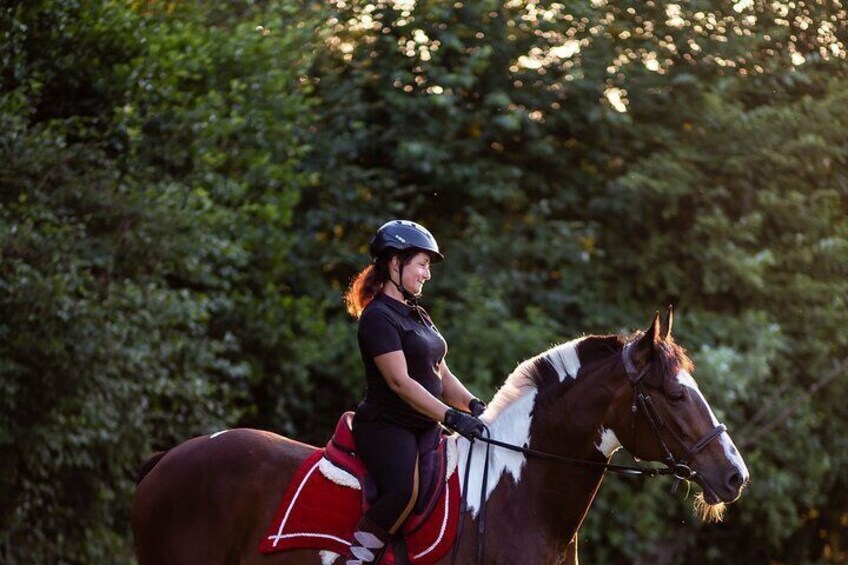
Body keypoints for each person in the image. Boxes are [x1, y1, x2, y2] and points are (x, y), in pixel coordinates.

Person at [336, 220, 486, 565]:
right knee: (403, 491)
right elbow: (400, 382)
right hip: (388, 426)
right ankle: (356, 559)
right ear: (395, 263)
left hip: (425, 426)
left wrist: (474, 405)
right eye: (422, 264)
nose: (427, 275)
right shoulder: (377, 317)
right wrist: (452, 417)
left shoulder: (417, 314)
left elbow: (441, 372)